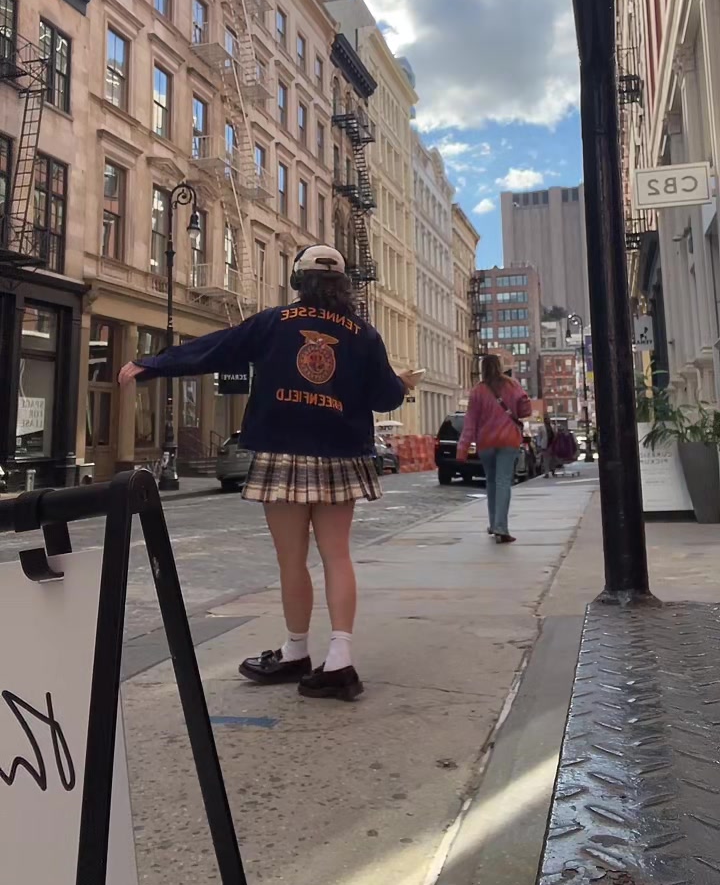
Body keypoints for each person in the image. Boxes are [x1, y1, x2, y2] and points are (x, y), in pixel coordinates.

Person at [119, 245, 413, 701]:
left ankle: (296, 650)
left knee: (291, 560)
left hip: (283, 451)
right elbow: (385, 398)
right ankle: (340, 659)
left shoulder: (275, 322)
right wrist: (402, 383)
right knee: (337, 556)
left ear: (297, 281)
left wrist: (152, 363)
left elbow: (218, 349)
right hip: (341, 455)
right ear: (342, 285)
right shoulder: (363, 334)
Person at [456, 355, 532, 544]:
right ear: (500, 367)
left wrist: (462, 448)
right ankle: (501, 527)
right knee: (503, 481)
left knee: (491, 482)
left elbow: (470, 423)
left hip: (486, 442)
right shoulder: (512, 385)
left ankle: (494, 523)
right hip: (508, 440)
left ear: (482, 369)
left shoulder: (477, 391)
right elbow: (525, 411)